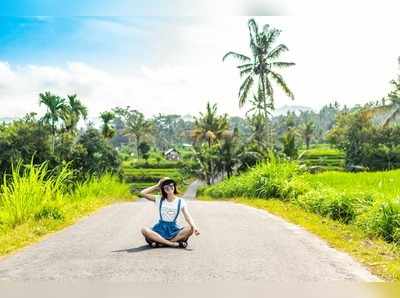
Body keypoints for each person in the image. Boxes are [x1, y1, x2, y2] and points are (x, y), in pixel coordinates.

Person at [140, 177, 200, 248]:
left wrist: (195, 227)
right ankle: (172, 243)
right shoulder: (159, 199)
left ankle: (161, 242)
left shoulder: (180, 201)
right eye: (166, 186)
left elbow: (187, 216)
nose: (169, 187)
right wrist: (157, 186)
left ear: (174, 187)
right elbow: (142, 193)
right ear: (162, 188)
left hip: (174, 230)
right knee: (144, 230)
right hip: (160, 229)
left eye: (171, 185)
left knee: (191, 228)